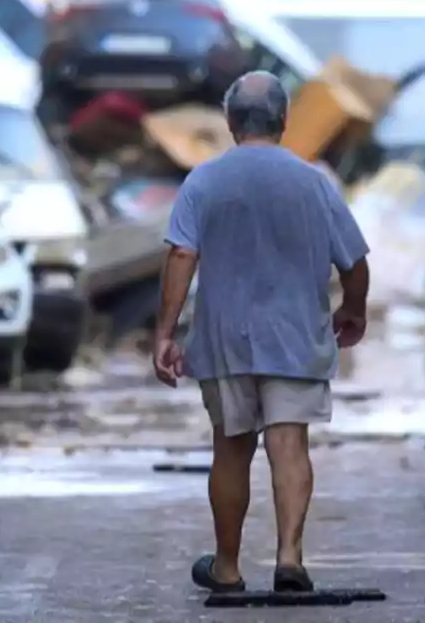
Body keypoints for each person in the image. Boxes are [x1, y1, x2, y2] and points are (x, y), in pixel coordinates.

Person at [152, 70, 371, 594]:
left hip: (226, 337)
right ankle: (289, 558)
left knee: (231, 449)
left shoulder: (204, 180)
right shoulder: (313, 181)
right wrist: (354, 309)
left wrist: (165, 333)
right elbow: (355, 261)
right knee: (289, 444)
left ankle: (227, 568)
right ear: (284, 120)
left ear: (230, 122)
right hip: (297, 336)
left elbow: (182, 254)